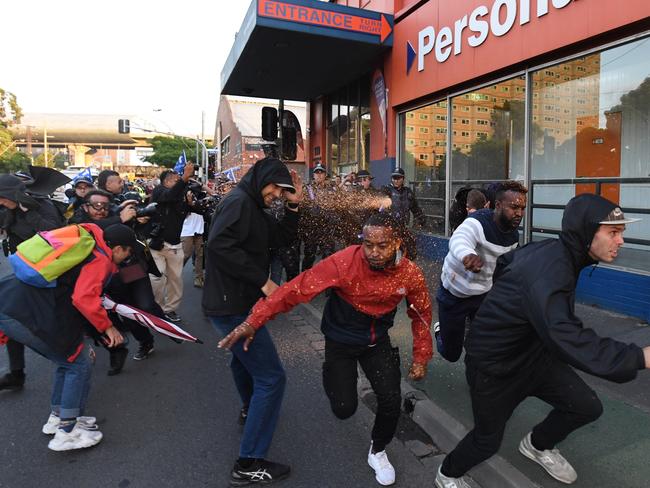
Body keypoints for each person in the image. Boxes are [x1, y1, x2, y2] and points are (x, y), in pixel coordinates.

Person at [435, 194, 648, 488]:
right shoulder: (551, 269)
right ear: (586, 231)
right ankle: (447, 473)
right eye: (613, 232)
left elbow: (508, 261)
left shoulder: (559, 252)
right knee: (486, 442)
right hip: (494, 369)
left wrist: (509, 304)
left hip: (535, 358)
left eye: (621, 232)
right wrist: (639, 357)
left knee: (586, 406)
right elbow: (567, 336)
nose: (621, 241)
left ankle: (537, 445)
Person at [219, 212, 433, 487]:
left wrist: (421, 357)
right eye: (368, 244)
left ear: (398, 243)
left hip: (376, 343)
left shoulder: (410, 273)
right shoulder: (344, 261)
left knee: (391, 399)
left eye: (383, 246)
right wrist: (255, 320)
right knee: (344, 408)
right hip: (340, 343)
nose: (374, 253)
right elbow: (296, 289)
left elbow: (422, 315)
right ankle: (333, 376)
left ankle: (378, 450)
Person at [202, 157, 302, 486]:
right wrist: (263, 279)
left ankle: (249, 408)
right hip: (231, 306)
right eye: (275, 188)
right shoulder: (238, 202)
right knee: (272, 379)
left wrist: (293, 205)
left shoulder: (254, 206)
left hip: (238, 304)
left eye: (282, 190)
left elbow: (282, 239)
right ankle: (249, 462)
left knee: (243, 364)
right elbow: (219, 245)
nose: (276, 194)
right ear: (260, 179)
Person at [0, 224, 135, 451]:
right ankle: (67, 432)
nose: (128, 259)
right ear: (119, 248)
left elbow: (73, 299)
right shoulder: (100, 259)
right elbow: (84, 299)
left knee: (69, 360)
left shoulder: (88, 244)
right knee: (78, 364)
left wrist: (86, 338)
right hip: (24, 312)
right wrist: (108, 328)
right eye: (129, 252)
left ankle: (59, 417)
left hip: (12, 301)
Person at [434, 181, 527, 363]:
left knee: (483, 345)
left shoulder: (513, 236)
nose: (519, 213)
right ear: (498, 205)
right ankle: (440, 331)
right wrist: (467, 255)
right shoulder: (477, 222)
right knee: (451, 354)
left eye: (522, 208)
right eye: (514, 207)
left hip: (483, 296)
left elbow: (508, 267)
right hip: (454, 294)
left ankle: (478, 375)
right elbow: (459, 239)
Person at [70, 189, 162, 366]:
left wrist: (138, 220)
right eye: (96, 205)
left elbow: (137, 235)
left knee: (146, 304)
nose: (101, 210)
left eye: (105, 206)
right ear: (85, 206)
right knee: (125, 312)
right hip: (104, 275)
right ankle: (142, 343)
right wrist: (119, 219)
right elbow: (88, 231)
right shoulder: (78, 223)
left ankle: (164, 324)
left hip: (132, 266)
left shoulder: (119, 212)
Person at [0, 174, 65, 391]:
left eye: (1, 196)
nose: (0, 201)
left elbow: (55, 235)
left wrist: (31, 214)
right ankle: (16, 373)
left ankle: (83, 355)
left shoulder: (41, 205)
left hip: (48, 270)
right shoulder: (9, 210)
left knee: (58, 318)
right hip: (24, 269)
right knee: (10, 316)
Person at [149, 163, 194, 322]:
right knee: (157, 277)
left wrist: (189, 204)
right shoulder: (159, 192)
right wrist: (184, 178)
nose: (180, 183)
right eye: (176, 180)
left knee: (176, 280)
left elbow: (182, 214)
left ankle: (170, 310)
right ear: (166, 182)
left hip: (175, 245)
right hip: (158, 244)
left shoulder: (179, 196)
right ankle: (158, 308)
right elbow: (169, 196)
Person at [382, 167, 426, 259]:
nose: (396, 180)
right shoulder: (386, 190)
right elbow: (379, 208)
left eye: (398, 178)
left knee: (410, 252)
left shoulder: (408, 192)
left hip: (403, 227)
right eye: (394, 178)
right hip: (390, 227)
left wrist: (421, 219)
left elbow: (415, 208)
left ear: (403, 179)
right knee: (390, 253)